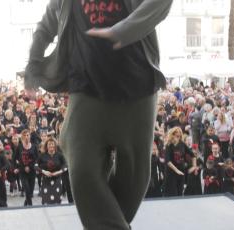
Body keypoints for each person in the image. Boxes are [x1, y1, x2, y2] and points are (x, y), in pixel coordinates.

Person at [25, 0, 173, 228]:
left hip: (136, 89)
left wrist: (123, 30)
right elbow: (46, 26)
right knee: (82, 169)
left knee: (135, 179)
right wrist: (34, 63)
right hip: (86, 90)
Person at [164, 127, 196, 196]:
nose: (177, 136)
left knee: (180, 193)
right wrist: (176, 170)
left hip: (181, 172)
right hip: (171, 173)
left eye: (179, 134)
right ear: (172, 135)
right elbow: (168, 161)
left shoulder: (182, 144)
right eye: (176, 134)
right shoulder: (169, 145)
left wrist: (194, 166)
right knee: (173, 193)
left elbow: (193, 155)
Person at [37, 138, 66, 205]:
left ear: (55, 145)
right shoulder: (42, 155)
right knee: (46, 202)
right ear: (46, 146)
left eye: (52, 144)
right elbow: (35, 166)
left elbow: (65, 166)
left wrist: (58, 172)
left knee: (57, 201)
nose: (51, 146)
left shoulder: (60, 155)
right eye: (49, 144)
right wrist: (43, 171)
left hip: (57, 181)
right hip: (46, 181)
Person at [17, 129, 38, 206]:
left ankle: (25, 204)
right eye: (25, 135)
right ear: (22, 137)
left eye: (28, 135)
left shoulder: (34, 146)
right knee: (26, 189)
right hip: (23, 172)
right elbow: (14, 159)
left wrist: (31, 166)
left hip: (32, 171)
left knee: (31, 192)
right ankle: (30, 206)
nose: (26, 137)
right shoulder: (19, 147)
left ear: (30, 136)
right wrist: (17, 167)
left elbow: (37, 159)